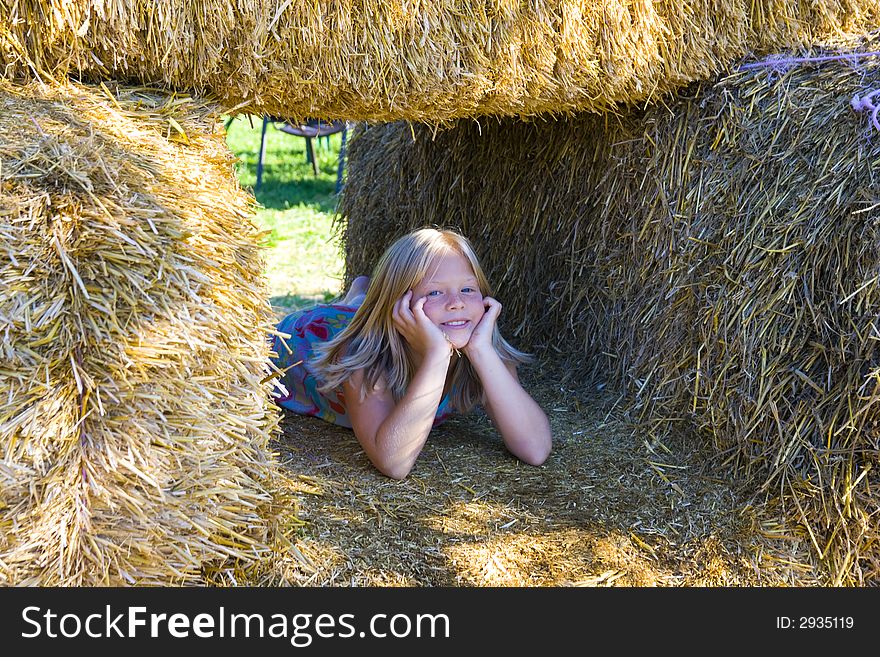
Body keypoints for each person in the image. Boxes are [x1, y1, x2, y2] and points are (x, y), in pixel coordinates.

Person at [269, 227, 552, 479]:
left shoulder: (485, 354)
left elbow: (535, 449)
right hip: (310, 336)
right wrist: (438, 355)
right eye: (435, 293)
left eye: (468, 289)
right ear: (400, 306)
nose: (456, 304)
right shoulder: (364, 362)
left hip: (375, 319)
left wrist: (481, 351)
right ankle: (358, 298)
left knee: (360, 310)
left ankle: (360, 295)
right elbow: (394, 463)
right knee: (348, 319)